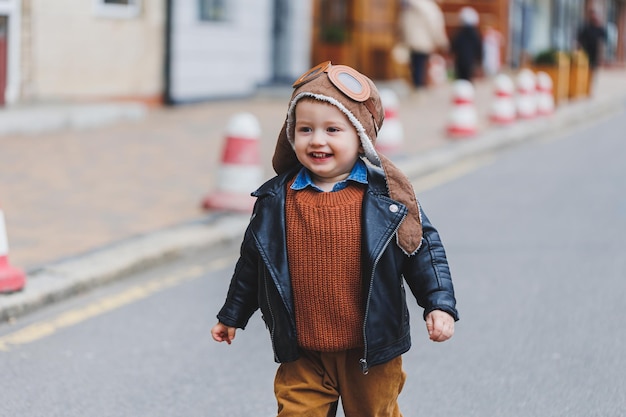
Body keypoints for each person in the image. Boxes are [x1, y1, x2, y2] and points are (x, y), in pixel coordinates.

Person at [211, 61, 459, 417]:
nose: (317, 140)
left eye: (332, 129)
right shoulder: (276, 200)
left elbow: (423, 250)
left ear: (359, 135)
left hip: (369, 352)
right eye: (305, 129)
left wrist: (439, 303)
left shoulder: (387, 198)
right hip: (303, 352)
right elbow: (253, 262)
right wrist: (232, 314)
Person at [399, 0, 449, 89]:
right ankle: (419, 88)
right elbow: (435, 25)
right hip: (424, 41)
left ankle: (416, 86)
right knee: (421, 66)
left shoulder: (410, 5)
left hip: (411, 39)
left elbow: (402, 22)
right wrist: (442, 41)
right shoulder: (429, 7)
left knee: (415, 65)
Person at [577, 5, 607, 93]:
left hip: (595, 55)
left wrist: (602, 57)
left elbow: (603, 43)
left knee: (592, 72)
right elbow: (580, 40)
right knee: (584, 71)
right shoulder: (586, 27)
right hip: (585, 54)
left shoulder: (601, 29)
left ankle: (589, 89)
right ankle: (583, 88)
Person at [451, 7, 483, 82]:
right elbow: (478, 47)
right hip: (470, 60)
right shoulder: (475, 34)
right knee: (468, 77)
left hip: (460, 59)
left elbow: (454, 45)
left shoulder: (458, 33)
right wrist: (479, 59)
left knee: (460, 77)